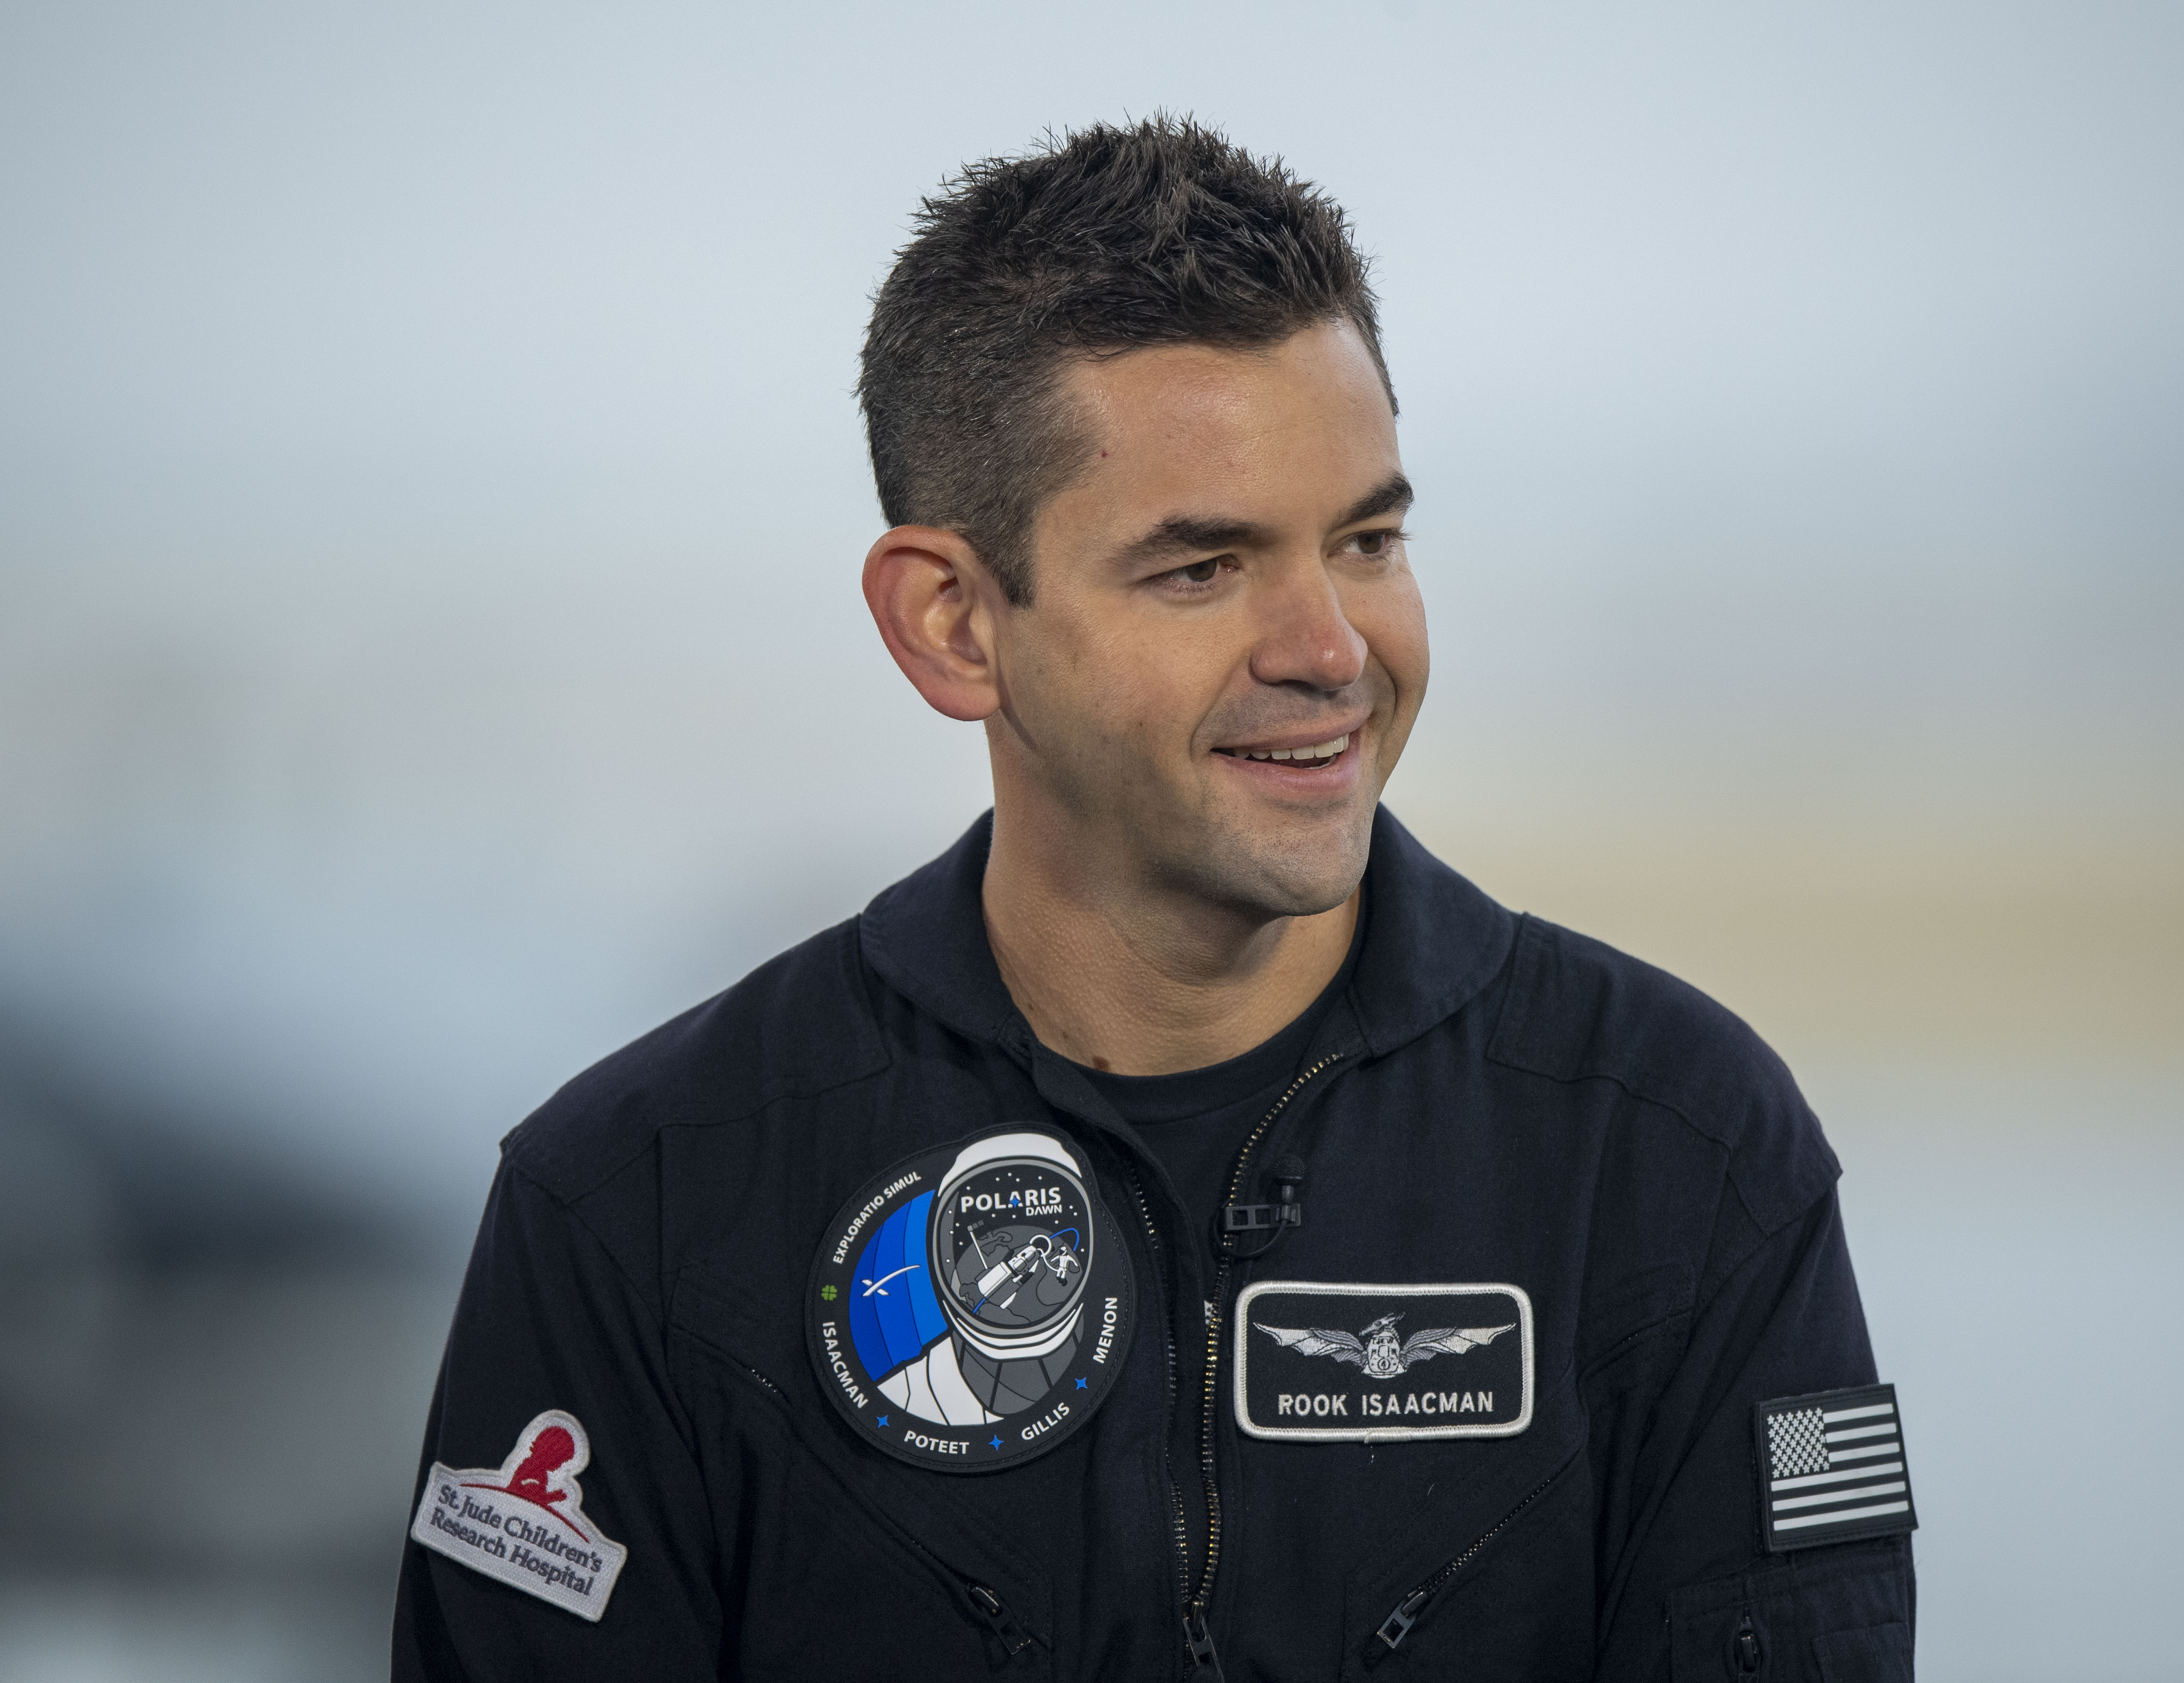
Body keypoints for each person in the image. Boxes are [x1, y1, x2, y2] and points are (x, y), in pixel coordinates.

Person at [393, 117, 1915, 1681]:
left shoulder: (1684, 1155)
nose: (1330, 649)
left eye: (1369, 541)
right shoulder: (638, 1203)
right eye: (1202, 569)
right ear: (952, 626)